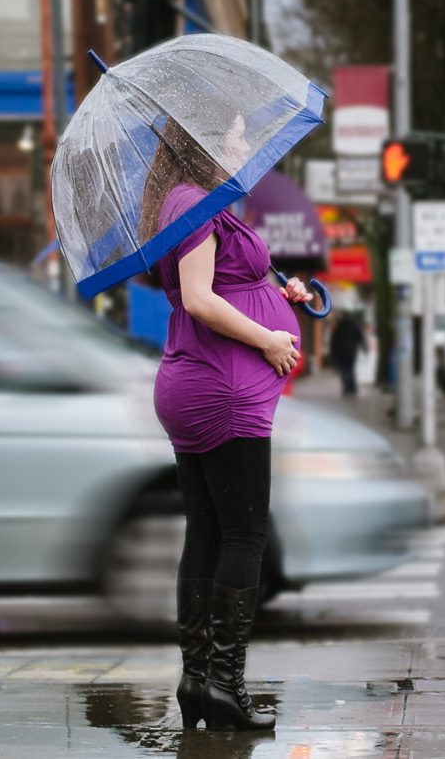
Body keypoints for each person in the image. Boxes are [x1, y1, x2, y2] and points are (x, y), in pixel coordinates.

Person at [140, 118, 312, 733]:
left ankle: (197, 681)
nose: (243, 142)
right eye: (234, 133)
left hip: (198, 381)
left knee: (207, 532)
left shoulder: (196, 203)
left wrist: (276, 291)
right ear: (204, 143)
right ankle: (225, 686)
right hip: (223, 391)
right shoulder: (191, 203)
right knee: (245, 537)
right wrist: (269, 337)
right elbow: (199, 298)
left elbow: (227, 283)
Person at [328, 312, 369, 399]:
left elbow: (334, 341)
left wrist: (333, 353)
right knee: (351, 370)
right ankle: (352, 389)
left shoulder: (339, 326)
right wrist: (364, 348)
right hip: (352, 352)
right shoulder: (354, 326)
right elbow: (360, 336)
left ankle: (346, 389)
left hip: (341, 352)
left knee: (344, 370)